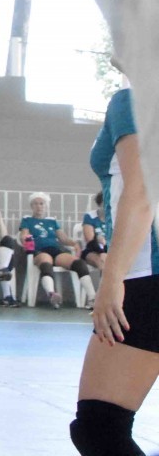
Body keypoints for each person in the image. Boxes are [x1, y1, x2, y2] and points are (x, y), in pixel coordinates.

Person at [70, 80, 159, 456]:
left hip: (147, 280)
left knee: (100, 428)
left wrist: (112, 279)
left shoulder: (136, 97)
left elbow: (140, 194)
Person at [19, 191, 97, 310]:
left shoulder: (52, 221)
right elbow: (23, 235)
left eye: (41, 203)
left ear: (46, 206)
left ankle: (92, 297)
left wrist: (75, 244)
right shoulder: (27, 220)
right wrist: (26, 239)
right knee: (46, 262)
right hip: (39, 251)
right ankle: (52, 294)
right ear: (31, 206)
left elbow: (63, 238)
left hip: (55, 250)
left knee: (78, 263)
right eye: (35, 204)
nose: (39, 206)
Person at [81, 191, 108, 271]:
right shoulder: (90, 216)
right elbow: (90, 241)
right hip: (92, 250)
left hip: (109, 250)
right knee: (102, 261)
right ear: (100, 204)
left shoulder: (114, 218)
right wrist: (102, 251)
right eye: (105, 203)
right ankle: (105, 283)